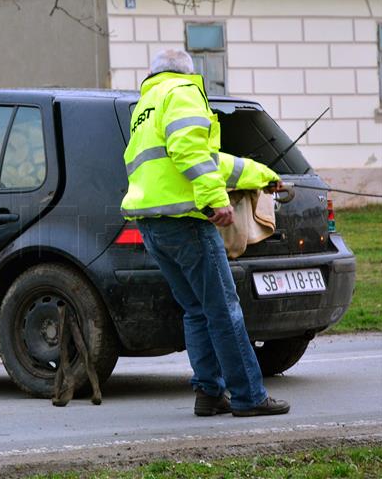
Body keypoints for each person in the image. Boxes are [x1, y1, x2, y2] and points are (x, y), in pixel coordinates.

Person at [121, 49, 290, 417]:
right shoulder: (182, 92)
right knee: (223, 310)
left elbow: (209, 161)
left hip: (153, 224)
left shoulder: (144, 107)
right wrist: (215, 201)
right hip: (187, 220)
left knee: (196, 310)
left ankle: (209, 392)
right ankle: (248, 396)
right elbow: (189, 152)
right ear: (188, 72)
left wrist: (263, 176)